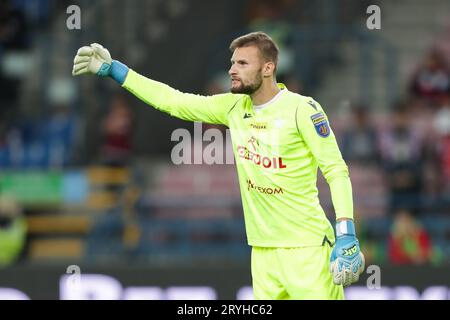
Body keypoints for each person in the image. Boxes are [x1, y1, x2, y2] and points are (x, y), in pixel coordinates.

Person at [72, 32, 364, 300]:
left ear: (268, 68)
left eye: (242, 63)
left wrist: (346, 231)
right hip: (262, 253)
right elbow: (173, 101)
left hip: (307, 249)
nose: (232, 70)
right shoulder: (233, 107)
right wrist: (118, 71)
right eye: (232, 62)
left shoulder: (302, 109)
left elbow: (336, 170)